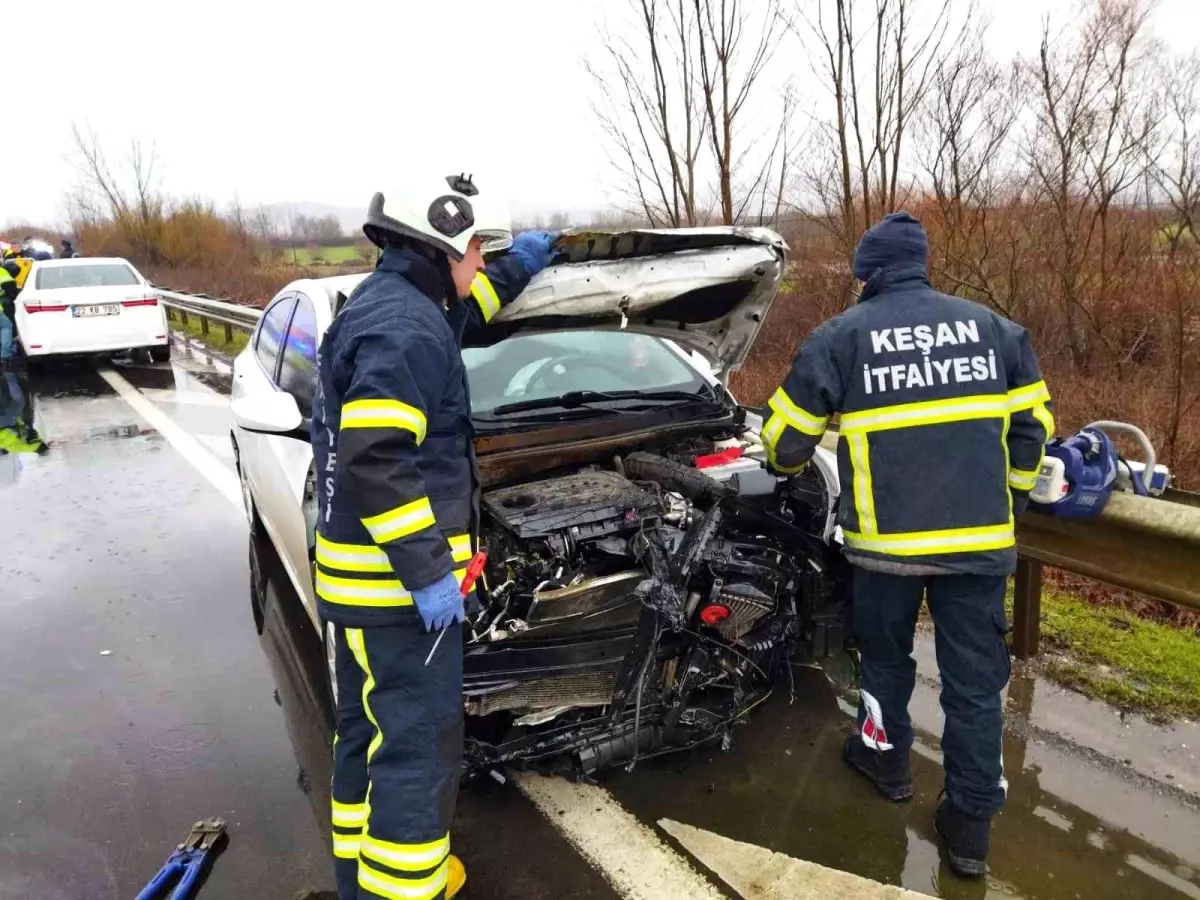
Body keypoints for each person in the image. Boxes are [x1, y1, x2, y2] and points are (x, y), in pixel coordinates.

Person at [761, 212, 1052, 877]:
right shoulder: (997, 331)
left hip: (885, 550)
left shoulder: (840, 337)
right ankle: (970, 828)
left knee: (887, 662)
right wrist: (1009, 497)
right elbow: (1033, 427)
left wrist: (781, 466)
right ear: (921, 264)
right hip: (980, 547)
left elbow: (783, 445)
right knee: (975, 687)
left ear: (868, 273)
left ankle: (886, 763)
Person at [312, 173, 555, 900]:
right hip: (393, 598)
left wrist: (523, 264)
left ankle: (360, 879)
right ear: (443, 242)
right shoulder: (407, 326)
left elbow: (465, 311)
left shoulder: (399, 305)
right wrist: (425, 572)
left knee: (366, 736)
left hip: (358, 591)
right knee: (417, 755)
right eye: (478, 248)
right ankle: (404, 887)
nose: (482, 262)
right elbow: (378, 454)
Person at [0, 262, 19, 365]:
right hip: (2, 309)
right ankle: (6, 354)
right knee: (7, 326)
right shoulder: (6, 276)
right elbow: (12, 296)